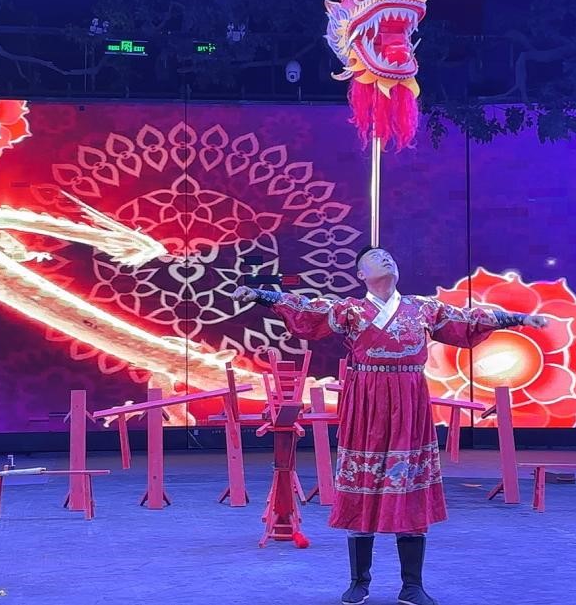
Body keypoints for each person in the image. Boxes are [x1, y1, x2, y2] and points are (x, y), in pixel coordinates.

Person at [232, 246, 549, 605]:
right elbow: (308, 310)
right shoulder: (350, 310)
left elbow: (467, 321)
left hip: (410, 401)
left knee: (409, 481)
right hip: (367, 400)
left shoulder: (423, 309)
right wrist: (260, 295)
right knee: (361, 480)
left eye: (389, 256)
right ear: (360, 275)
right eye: (375, 257)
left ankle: (412, 585)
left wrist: (518, 319)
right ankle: (359, 581)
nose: (386, 259)